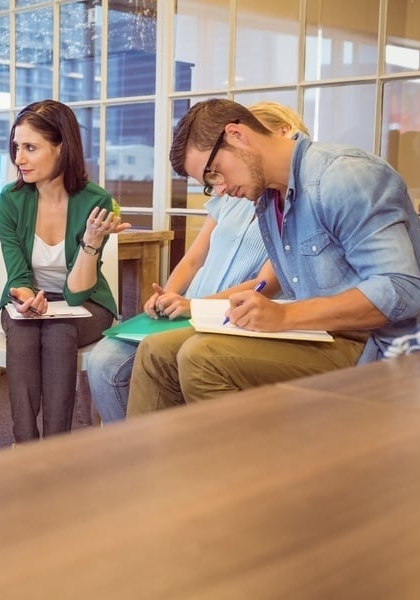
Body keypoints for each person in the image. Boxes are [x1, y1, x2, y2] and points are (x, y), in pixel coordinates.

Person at [126, 98, 420, 415]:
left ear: (237, 135)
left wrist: (285, 317)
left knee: (201, 357)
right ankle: (163, 464)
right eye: (209, 185)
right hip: (321, 337)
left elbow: (403, 290)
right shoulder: (269, 198)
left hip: (374, 347)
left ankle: (265, 463)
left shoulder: (344, 176)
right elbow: (269, 282)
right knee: (156, 350)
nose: (219, 190)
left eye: (214, 174)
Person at [89, 101, 306, 423]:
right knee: (103, 359)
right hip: (189, 307)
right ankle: (129, 450)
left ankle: (150, 451)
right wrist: (167, 296)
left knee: (149, 363)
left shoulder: (285, 203)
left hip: (221, 313)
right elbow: (192, 260)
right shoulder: (228, 199)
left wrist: (196, 306)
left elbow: (267, 284)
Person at [0, 100, 128, 443]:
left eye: (30, 148)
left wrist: (91, 243)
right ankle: (25, 445)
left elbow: (77, 293)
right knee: (24, 332)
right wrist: (25, 299)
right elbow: (18, 274)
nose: (18, 158)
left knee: (58, 332)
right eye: (16, 147)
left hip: (86, 305)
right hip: (27, 301)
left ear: (61, 148)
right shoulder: (10, 200)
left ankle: (55, 449)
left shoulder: (94, 200)